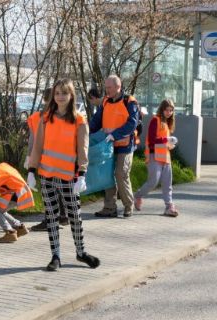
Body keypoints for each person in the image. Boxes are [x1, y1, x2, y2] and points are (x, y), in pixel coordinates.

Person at [27, 78, 100, 271]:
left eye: (64, 93)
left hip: (69, 177)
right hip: (47, 175)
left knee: (75, 215)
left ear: (71, 95)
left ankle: (81, 252)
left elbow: (83, 149)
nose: (60, 97)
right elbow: (38, 145)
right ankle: (55, 255)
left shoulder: (79, 120)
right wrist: (32, 170)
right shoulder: (45, 118)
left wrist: (82, 174)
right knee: (51, 216)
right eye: (57, 93)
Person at [89, 75, 139, 218]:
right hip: (108, 145)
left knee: (120, 174)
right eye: (106, 87)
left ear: (118, 87)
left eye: (109, 87)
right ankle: (110, 207)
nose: (107, 90)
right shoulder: (105, 102)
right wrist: (85, 132)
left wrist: (115, 134)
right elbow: (96, 121)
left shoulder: (129, 102)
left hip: (125, 145)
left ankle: (129, 206)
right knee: (107, 175)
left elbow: (132, 123)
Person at [26, 88, 69, 231]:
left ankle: (50, 220)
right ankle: (62, 216)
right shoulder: (65, 116)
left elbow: (33, 140)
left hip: (45, 159)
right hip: (62, 159)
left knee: (48, 190)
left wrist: (29, 157)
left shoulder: (38, 117)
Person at [134, 99, 179, 217]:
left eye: (171, 110)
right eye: (167, 110)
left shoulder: (168, 123)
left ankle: (169, 206)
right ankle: (138, 195)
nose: (169, 112)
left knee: (167, 183)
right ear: (162, 109)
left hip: (165, 156)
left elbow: (163, 141)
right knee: (153, 182)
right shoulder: (155, 120)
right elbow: (152, 140)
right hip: (154, 155)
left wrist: (169, 145)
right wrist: (167, 140)